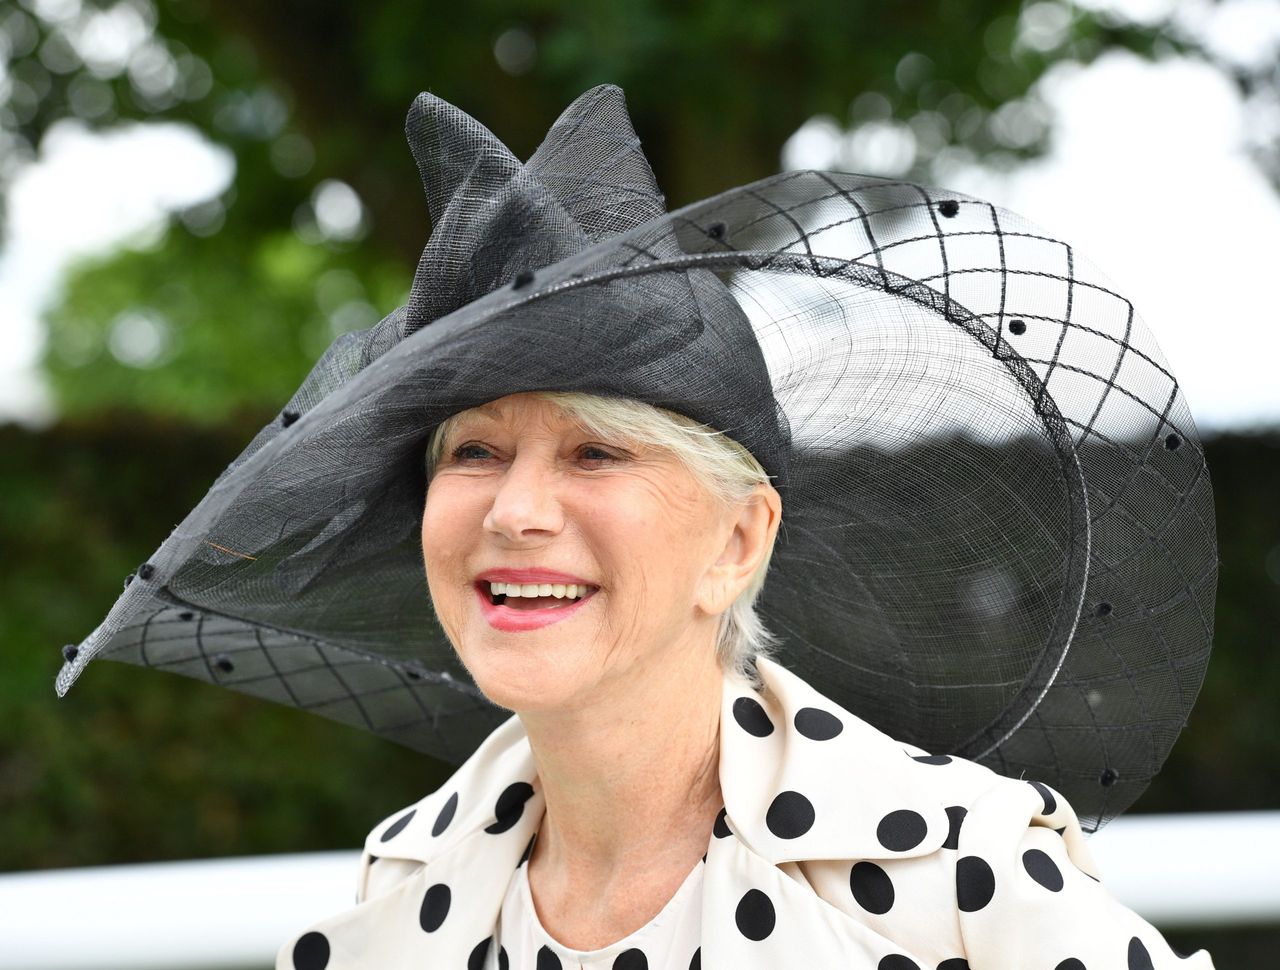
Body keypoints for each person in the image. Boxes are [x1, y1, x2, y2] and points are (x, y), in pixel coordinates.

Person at [56, 84, 1218, 969]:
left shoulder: (958, 875)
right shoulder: (394, 897)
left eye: (595, 451)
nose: (514, 510)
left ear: (736, 543)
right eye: (473, 451)